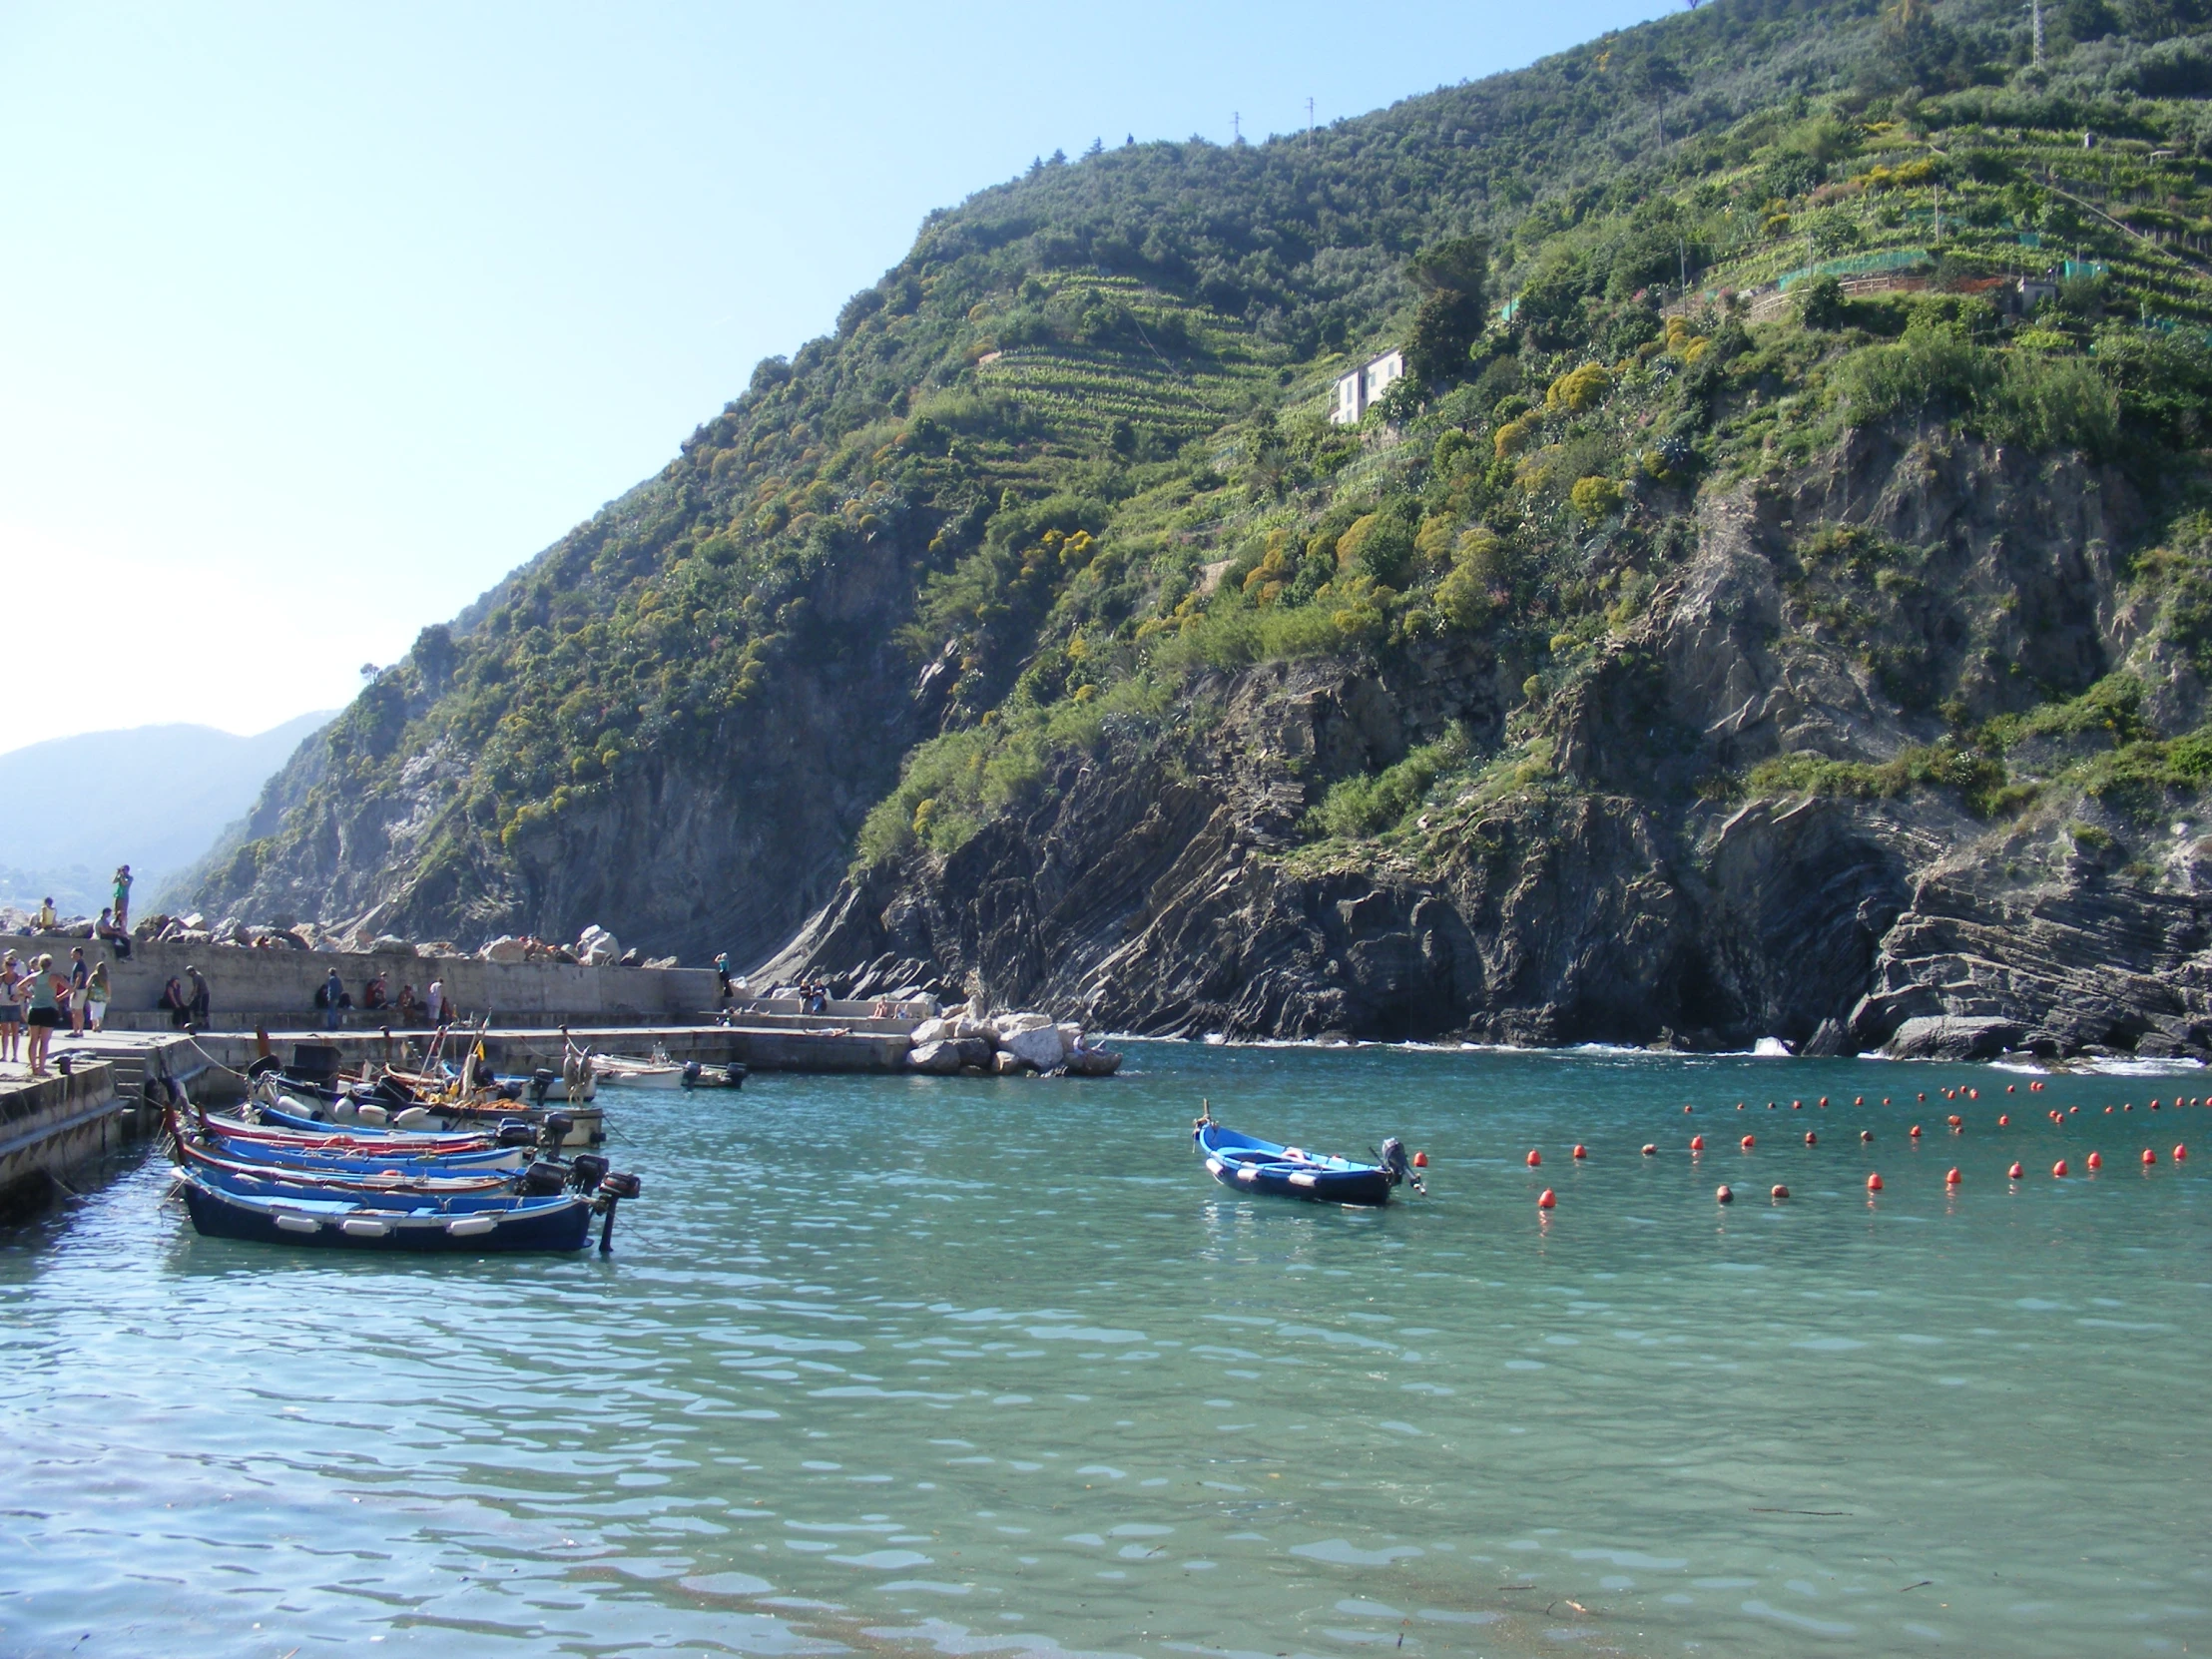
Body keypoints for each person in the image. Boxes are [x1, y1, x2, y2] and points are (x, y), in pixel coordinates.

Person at [22, 954, 62, 1075]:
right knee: (44, 1041)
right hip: (49, 1009)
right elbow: (70, 988)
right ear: (50, 964)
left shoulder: (33, 977)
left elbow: (20, 987)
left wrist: (31, 995)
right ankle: (41, 1068)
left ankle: (33, 1067)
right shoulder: (55, 977)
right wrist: (58, 998)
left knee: (33, 1039)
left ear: (39, 964)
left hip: (35, 1009)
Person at [0, 951, 22, 1066]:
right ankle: (4, 1055)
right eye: (9, 964)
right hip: (3, 1006)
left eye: (13, 965)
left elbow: (27, 991)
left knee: (15, 1032)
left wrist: (18, 996)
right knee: (4, 1032)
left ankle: (15, 1055)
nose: (11, 967)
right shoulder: (1, 978)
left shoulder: (19, 978)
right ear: (5, 965)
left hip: (14, 1006)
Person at [66, 947, 89, 1037]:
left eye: (74, 954)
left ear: (79, 954)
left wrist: (74, 989)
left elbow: (79, 977)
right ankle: (75, 1030)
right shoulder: (77, 964)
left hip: (79, 990)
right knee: (74, 1010)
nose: (72, 955)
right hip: (77, 989)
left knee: (78, 1011)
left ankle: (80, 1030)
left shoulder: (80, 964)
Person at [86, 960, 110, 1033]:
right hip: (102, 996)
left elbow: (87, 984)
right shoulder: (105, 977)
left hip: (93, 995)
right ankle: (99, 1025)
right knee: (100, 1011)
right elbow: (108, 987)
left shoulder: (93, 975)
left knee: (93, 1010)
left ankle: (94, 1026)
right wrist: (109, 996)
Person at [112, 864, 133, 931]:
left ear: (127, 870)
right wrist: (117, 874)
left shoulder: (130, 878)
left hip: (124, 897)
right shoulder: (121, 877)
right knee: (116, 912)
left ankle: (123, 927)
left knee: (123, 913)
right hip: (118, 896)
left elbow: (124, 883)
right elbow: (113, 881)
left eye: (124, 870)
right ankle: (115, 925)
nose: (123, 871)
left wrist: (121, 876)